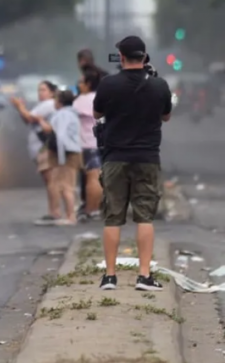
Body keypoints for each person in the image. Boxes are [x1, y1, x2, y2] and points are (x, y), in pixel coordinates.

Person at [93, 36, 172, 291]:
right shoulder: (159, 85)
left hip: (115, 157)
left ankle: (110, 277)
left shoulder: (109, 84)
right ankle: (144, 275)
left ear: (121, 56)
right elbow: (166, 115)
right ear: (145, 56)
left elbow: (97, 114)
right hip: (147, 158)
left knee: (113, 217)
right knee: (145, 217)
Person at [10, 81, 59, 224]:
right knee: (49, 180)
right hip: (40, 149)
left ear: (51, 92)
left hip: (44, 148)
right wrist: (20, 109)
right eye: (39, 90)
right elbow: (28, 120)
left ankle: (54, 212)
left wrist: (19, 106)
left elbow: (29, 117)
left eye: (43, 90)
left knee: (51, 181)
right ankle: (53, 211)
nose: (40, 93)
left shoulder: (48, 104)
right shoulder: (42, 105)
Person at [36, 90, 83, 225]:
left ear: (60, 102)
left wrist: (61, 157)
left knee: (66, 186)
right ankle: (68, 214)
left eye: (55, 100)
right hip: (68, 153)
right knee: (62, 185)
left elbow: (60, 136)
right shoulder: (70, 114)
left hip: (65, 154)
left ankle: (70, 216)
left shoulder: (63, 115)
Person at [73, 67, 104, 220]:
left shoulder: (81, 101)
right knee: (97, 176)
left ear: (88, 83)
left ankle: (91, 209)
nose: (78, 85)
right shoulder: (100, 98)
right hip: (100, 142)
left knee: (92, 178)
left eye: (81, 82)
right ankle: (95, 209)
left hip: (87, 144)